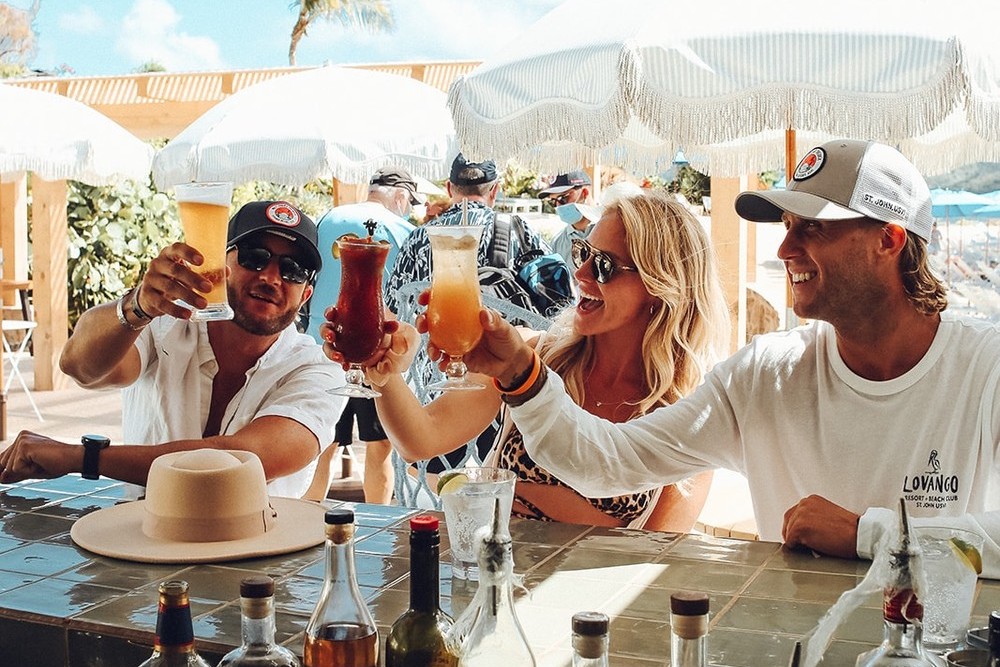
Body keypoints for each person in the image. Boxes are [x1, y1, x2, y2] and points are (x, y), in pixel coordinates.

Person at [451, 139, 1000, 576]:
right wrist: (520, 374)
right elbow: (606, 463)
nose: (785, 250)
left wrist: (868, 535)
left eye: (813, 227)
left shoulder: (984, 369)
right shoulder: (767, 373)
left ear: (889, 239)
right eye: (786, 227)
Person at [328, 190, 729, 531]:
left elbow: (660, 563)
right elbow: (421, 439)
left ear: (661, 285)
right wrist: (383, 371)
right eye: (582, 252)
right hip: (495, 587)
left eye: (604, 266)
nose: (580, 272)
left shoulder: (688, 418)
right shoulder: (530, 358)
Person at [0, 200, 344, 499]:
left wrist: (83, 457)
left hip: (260, 558)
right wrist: (137, 306)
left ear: (306, 295)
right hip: (143, 541)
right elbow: (80, 367)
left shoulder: (318, 370)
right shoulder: (164, 323)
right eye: (255, 257)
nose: (271, 278)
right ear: (220, 265)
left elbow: (243, 459)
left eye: (293, 270)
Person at [383, 152, 563, 472]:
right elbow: (560, 305)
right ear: (494, 190)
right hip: (501, 401)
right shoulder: (516, 231)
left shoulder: (416, 238)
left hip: (427, 391)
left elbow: (392, 310)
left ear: (450, 188)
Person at [305, 166, 419, 504]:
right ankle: (377, 527)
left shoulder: (328, 218)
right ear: (401, 197)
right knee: (379, 448)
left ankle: (308, 519)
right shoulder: (405, 230)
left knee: (319, 442)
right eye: (410, 201)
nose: (409, 208)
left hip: (323, 345)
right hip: (377, 352)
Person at [540, 170, 602, 267]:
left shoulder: (610, 230)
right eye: (553, 201)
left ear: (585, 193)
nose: (558, 206)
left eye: (562, 198)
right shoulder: (557, 244)